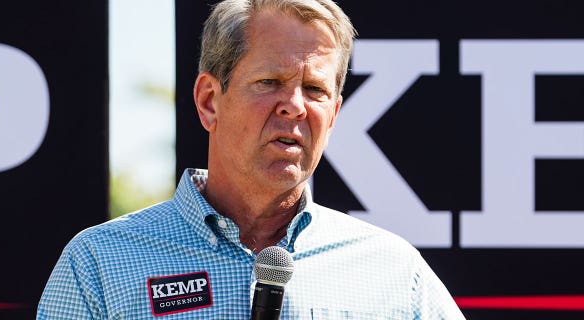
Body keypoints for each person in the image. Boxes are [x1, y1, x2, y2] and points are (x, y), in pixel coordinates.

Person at [37, 0, 466, 318]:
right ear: (209, 101)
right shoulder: (100, 261)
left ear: (334, 114)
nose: (295, 106)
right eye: (270, 81)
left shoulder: (392, 270)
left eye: (315, 90)